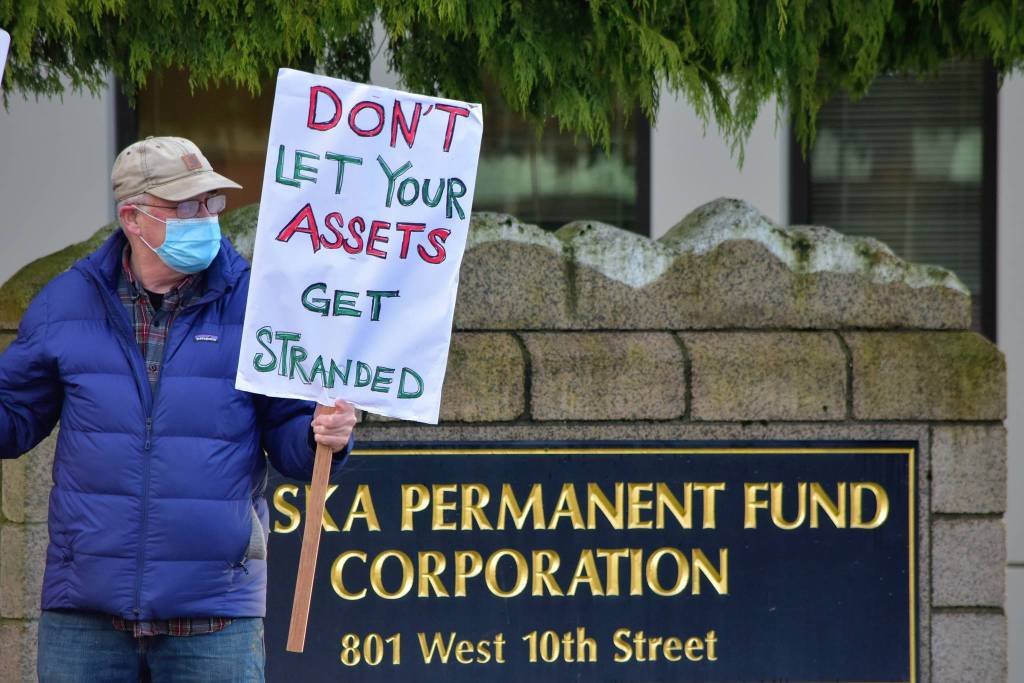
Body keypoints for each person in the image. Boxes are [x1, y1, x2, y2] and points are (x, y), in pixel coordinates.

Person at [0, 135, 357, 681]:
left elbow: (291, 435)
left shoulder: (257, 305)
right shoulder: (64, 303)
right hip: (85, 618)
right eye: (184, 205)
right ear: (133, 219)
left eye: (209, 202)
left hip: (215, 618)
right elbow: (13, 422)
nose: (205, 217)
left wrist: (321, 436)